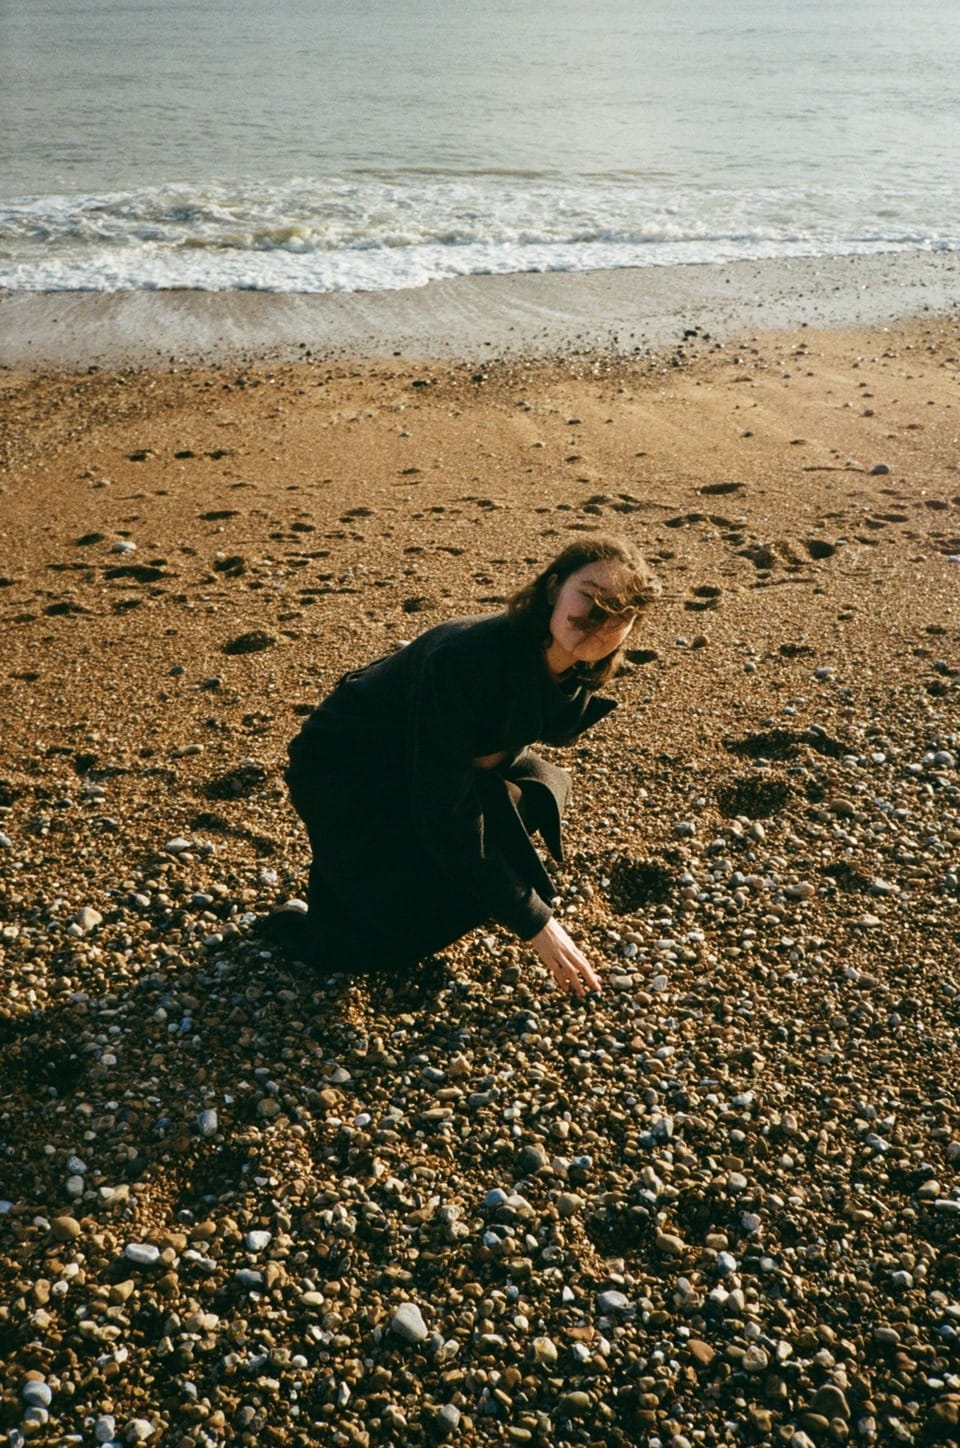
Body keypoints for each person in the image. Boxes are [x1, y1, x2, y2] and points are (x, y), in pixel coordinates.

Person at [277, 534, 659, 996]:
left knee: (530, 794)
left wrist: (486, 757)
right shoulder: (464, 659)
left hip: (413, 762)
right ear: (554, 588)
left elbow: (542, 722)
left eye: (619, 611)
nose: (599, 617)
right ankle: (341, 909)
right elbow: (445, 813)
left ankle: (360, 901)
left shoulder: (570, 666)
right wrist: (537, 922)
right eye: (590, 595)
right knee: (365, 951)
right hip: (342, 769)